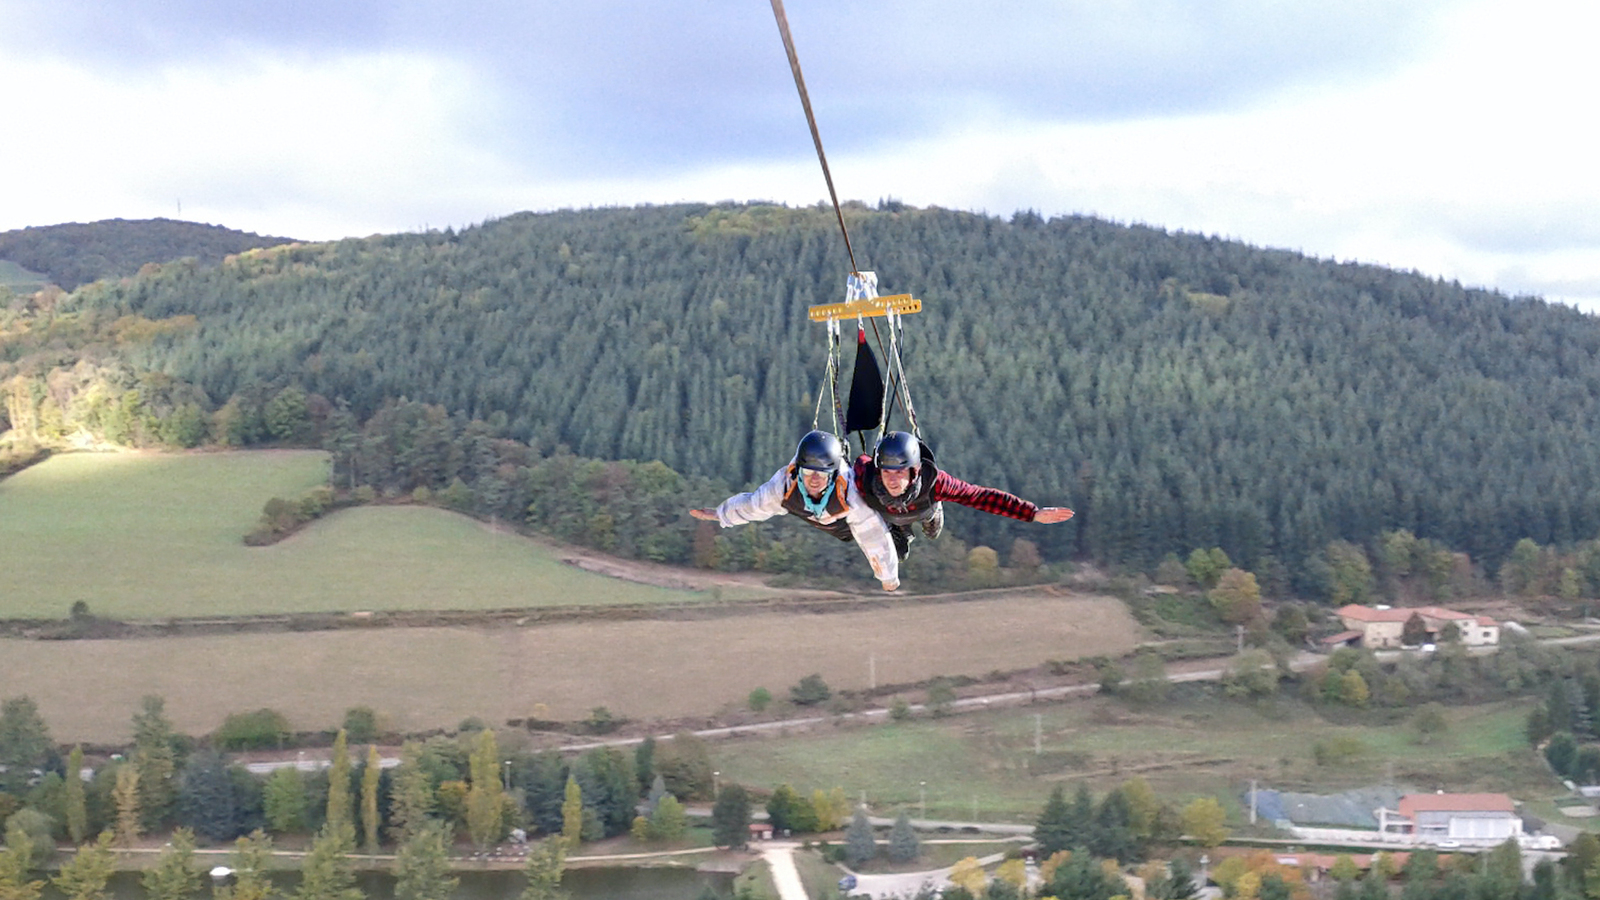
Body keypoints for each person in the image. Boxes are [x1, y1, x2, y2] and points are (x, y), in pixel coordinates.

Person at [690, 430, 900, 591]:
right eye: (808, 473)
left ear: (833, 474)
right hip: (809, 513)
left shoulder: (850, 496)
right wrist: (721, 514)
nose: (814, 480)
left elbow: (873, 537)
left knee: (884, 525)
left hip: (841, 521)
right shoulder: (783, 486)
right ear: (799, 470)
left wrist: (888, 577)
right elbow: (753, 505)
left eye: (822, 474)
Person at [853, 431, 1074, 559]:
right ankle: (899, 529)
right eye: (886, 472)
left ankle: (932, 513)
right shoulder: (865, 479)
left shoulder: (936, 483)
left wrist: (1031, 513)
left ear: (914, 471)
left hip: (922, 505)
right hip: (888, 512)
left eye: (899, 472)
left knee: (931, 531)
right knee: (893, 547)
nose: (892, 479)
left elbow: (981, 497)